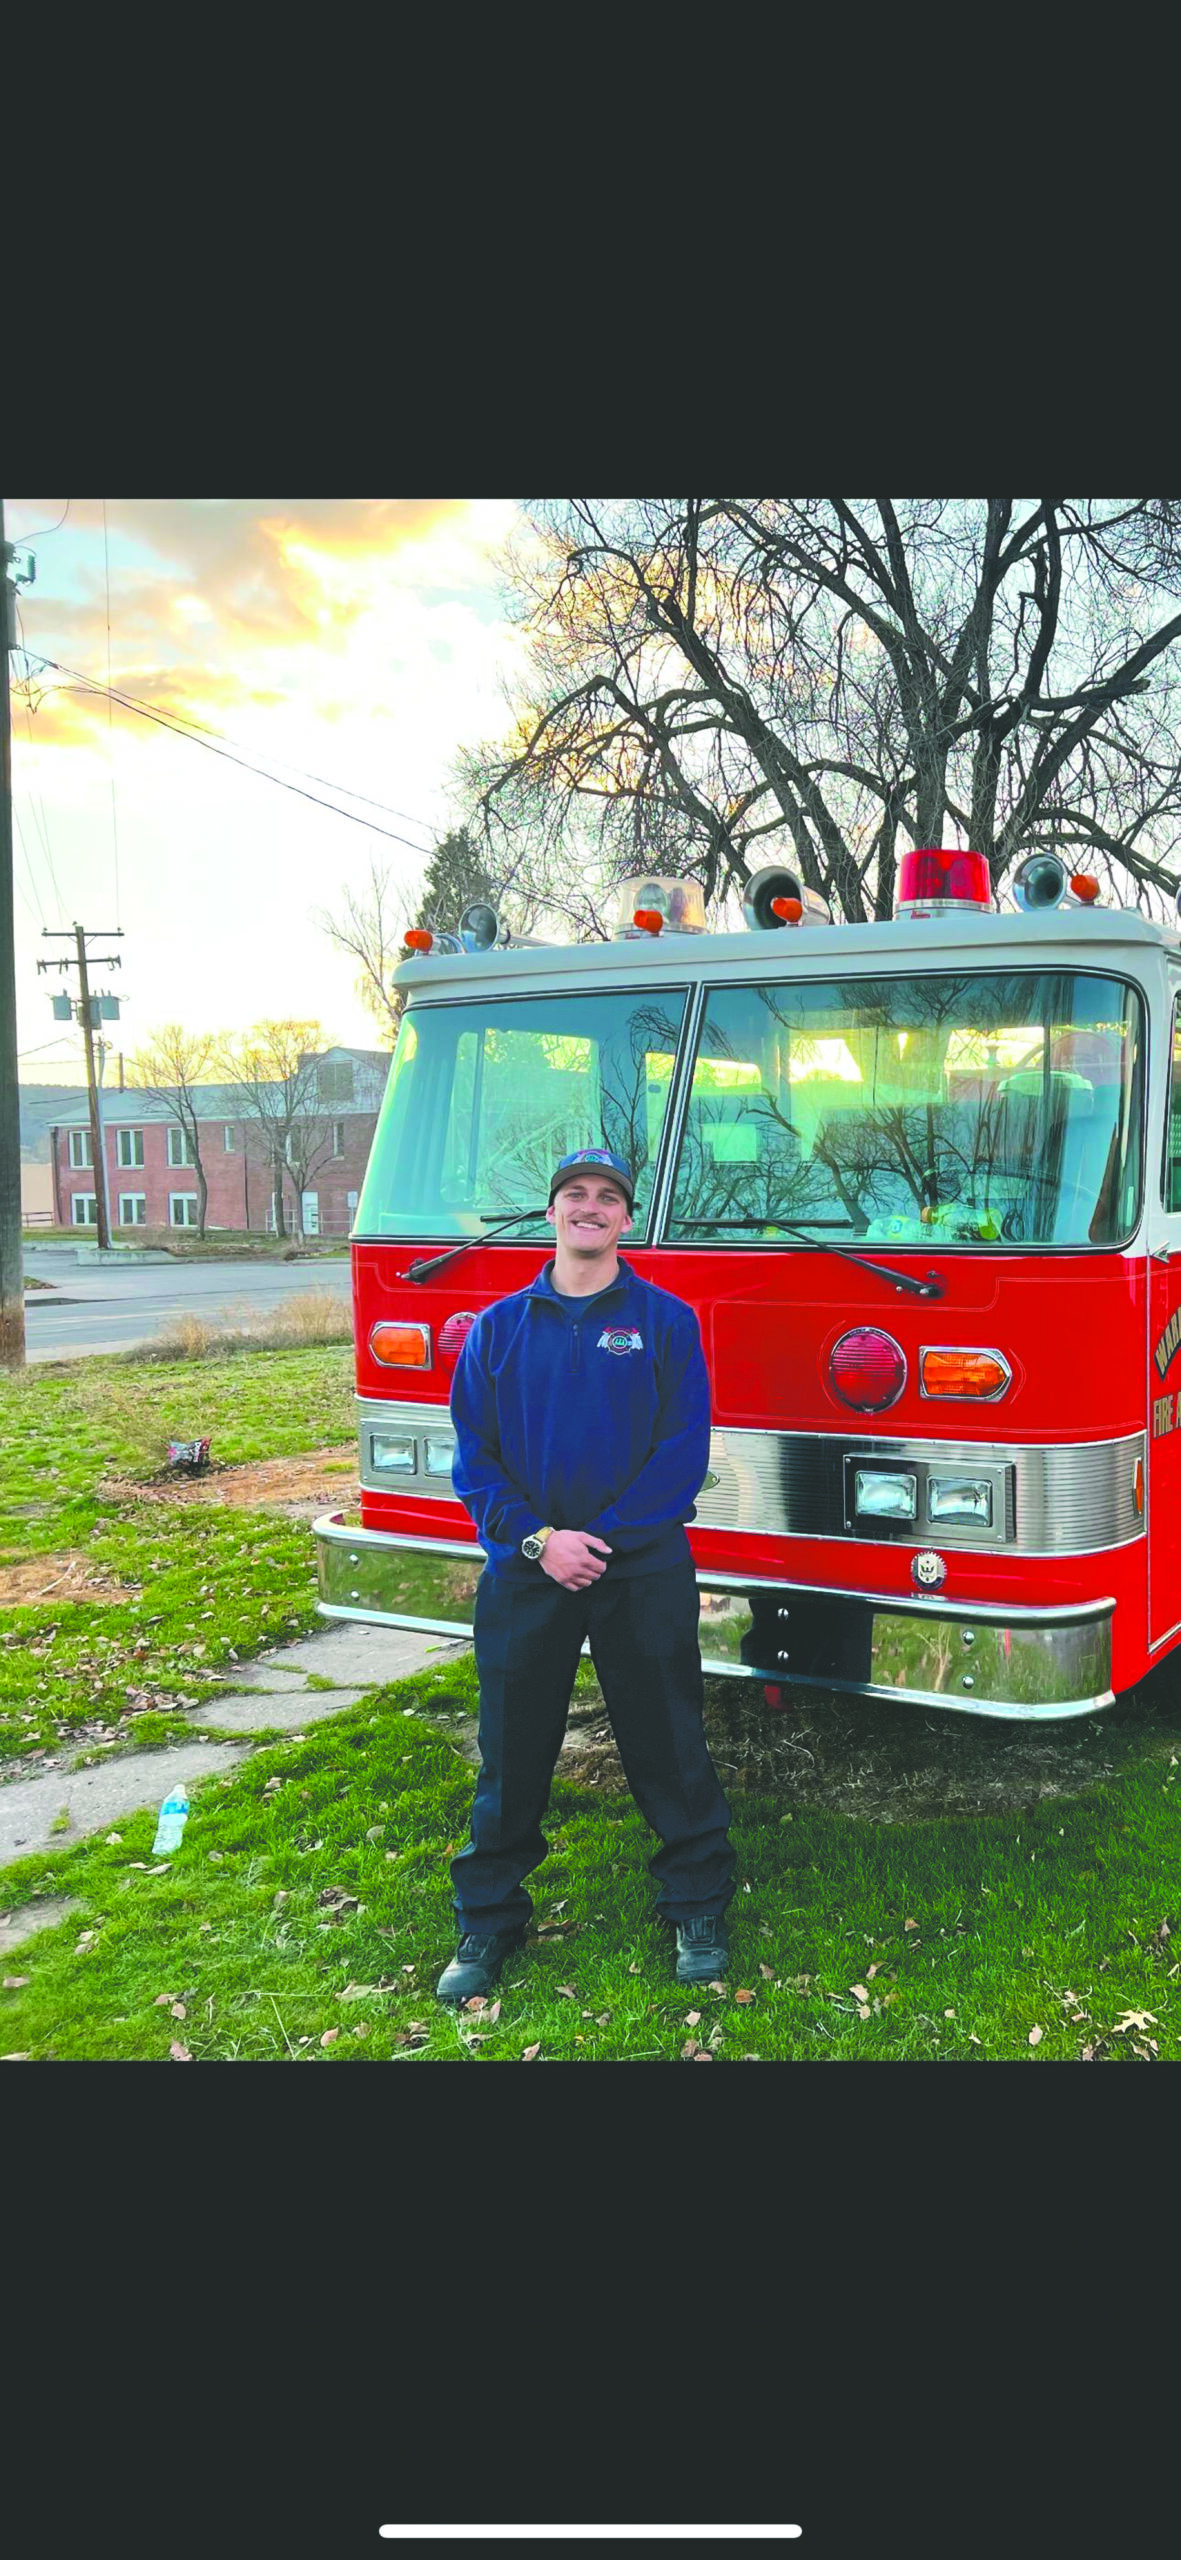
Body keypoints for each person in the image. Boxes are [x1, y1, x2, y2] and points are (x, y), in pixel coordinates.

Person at [437, 1146, 736, 2004]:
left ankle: (696, 1903)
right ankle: (488, 1920)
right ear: (552, 1213)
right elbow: (476, 1462)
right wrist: (537, 1542)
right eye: (575, 1195)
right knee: (512, 1750)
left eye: (607, 1197)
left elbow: (680, 1456)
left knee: (668, 1739)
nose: (591, 1208)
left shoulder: (666, 1323)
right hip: (528, 1575)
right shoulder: (495, 1329)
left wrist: (594, 1542)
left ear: (626, 1220)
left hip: (639, 1573)